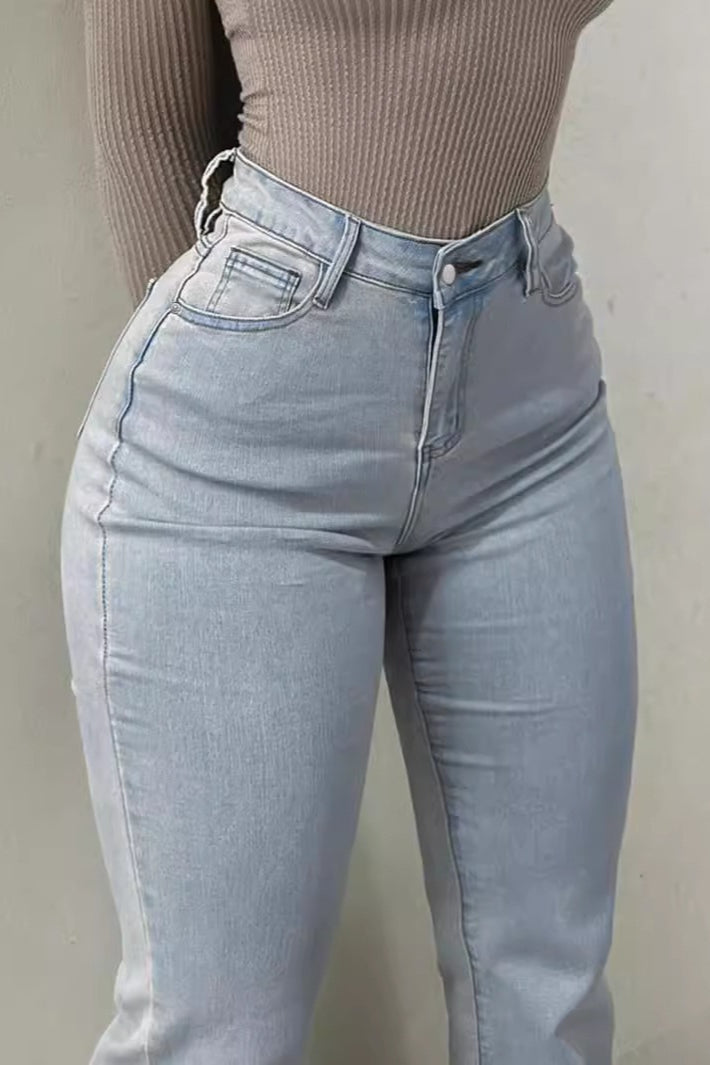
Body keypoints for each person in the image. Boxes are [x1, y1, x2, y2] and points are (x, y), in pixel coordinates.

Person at [60, 2, 637, 1064]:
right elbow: (147, 117)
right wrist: (257, 356)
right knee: (219, 1035)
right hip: (248, 430)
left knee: (547, 1012)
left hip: (528, 393)